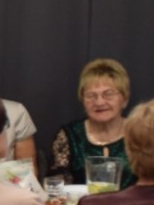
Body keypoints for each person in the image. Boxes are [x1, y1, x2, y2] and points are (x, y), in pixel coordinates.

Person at [48, 58, 137, 188]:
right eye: (91, 95)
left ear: (125, 99)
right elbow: (57, 187)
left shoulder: (141, 133)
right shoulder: (70, 135)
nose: (99, 102)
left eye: (108, 94)